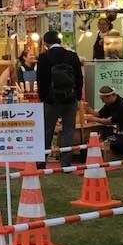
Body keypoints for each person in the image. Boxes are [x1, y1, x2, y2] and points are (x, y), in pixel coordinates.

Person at [36, 29, 83, 169]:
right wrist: (78, 96)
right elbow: (79, 78)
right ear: (59, 41)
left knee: (47, 130)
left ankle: (41, 161)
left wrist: (43, 98)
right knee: (68, 130)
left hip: (51, 101)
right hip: (70, 100)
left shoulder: (44, 57)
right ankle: (66, 163)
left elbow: (41, 80)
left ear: (46, 43)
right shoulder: (72, 56)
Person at [84, 85, 123, 157]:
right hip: (120, 131)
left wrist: (94, 119)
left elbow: (111, 121)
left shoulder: (122, 105)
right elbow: (99, 114)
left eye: (103, 99)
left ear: (109, 97)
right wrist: (88, 109)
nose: (102, 101)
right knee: (105, 137)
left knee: (115, 145)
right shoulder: (110, 103)